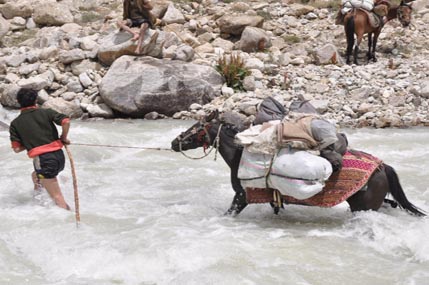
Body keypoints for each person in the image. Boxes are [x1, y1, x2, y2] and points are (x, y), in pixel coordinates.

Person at [9, 88, 71, 210]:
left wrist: (30, 144)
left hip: (44, 161)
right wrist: (63, 137)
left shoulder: (15, 123)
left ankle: (69, 217)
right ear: (36, 100)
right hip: (59, 157)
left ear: (17, 101)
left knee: (57, 197)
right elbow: (66, 121)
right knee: (36, 176)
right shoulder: (46, 112)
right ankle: (40, 205)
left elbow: (16, 149)